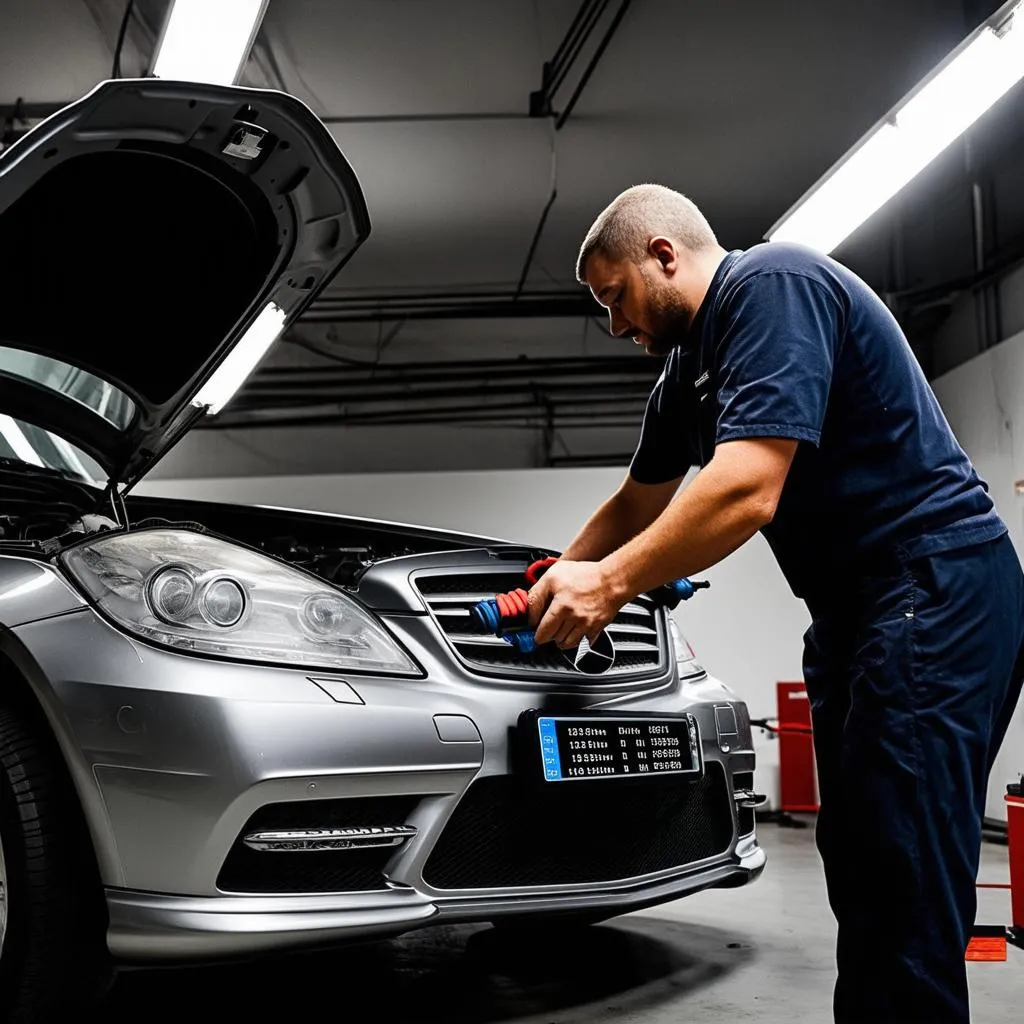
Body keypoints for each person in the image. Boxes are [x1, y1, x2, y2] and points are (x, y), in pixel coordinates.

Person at [527, 183, 1024, 1024]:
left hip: (932, 585)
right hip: (858, 611)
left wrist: (609, 585)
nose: (615, 325)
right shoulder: (687, 375)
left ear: (663, 255)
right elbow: (635, 506)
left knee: (901, 867)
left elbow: (747, 488)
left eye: (616, 298)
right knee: (863, 857)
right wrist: (549, 580)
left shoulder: (771, 286)